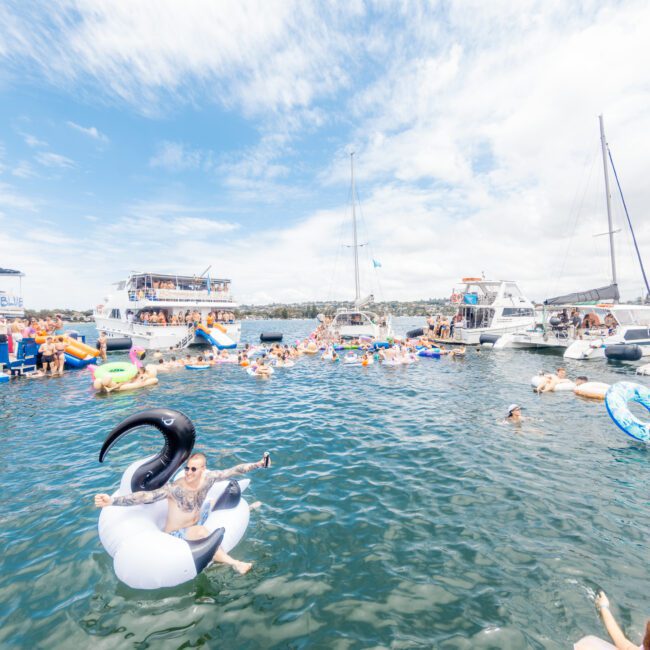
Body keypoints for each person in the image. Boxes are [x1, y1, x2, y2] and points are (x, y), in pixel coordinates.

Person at [94, 452, 270, 574]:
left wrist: (259, 464)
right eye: (187, 468)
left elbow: (233, 471)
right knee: (202, 532)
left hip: (197, 519)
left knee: (211, 503)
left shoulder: (209, 479)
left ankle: (249, 508)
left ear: (203, 469)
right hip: (176, 533)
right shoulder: (176, 488)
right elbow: (146, 496)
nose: (188, 473)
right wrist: (112, 501)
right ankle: (235, 564)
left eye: (194, 469)